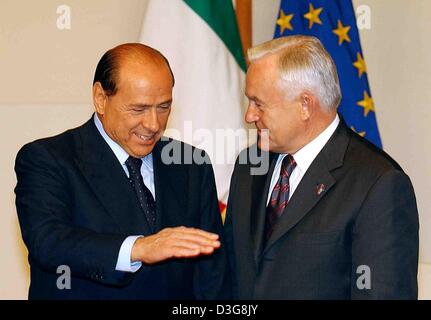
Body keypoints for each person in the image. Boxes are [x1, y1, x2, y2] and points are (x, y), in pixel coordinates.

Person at [14, 43, 230, 299]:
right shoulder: (49, 158)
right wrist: (138, 248)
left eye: (163, 107)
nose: (153, 124)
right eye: (138, 109)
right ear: (101, 99)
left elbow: (211, 275)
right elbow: (49, 243)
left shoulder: (191, 164)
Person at [224, 35, 419, 299]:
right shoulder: (249, 166)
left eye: (259, 103)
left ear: (305, 104)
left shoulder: (378, 184)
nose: (249, 115)